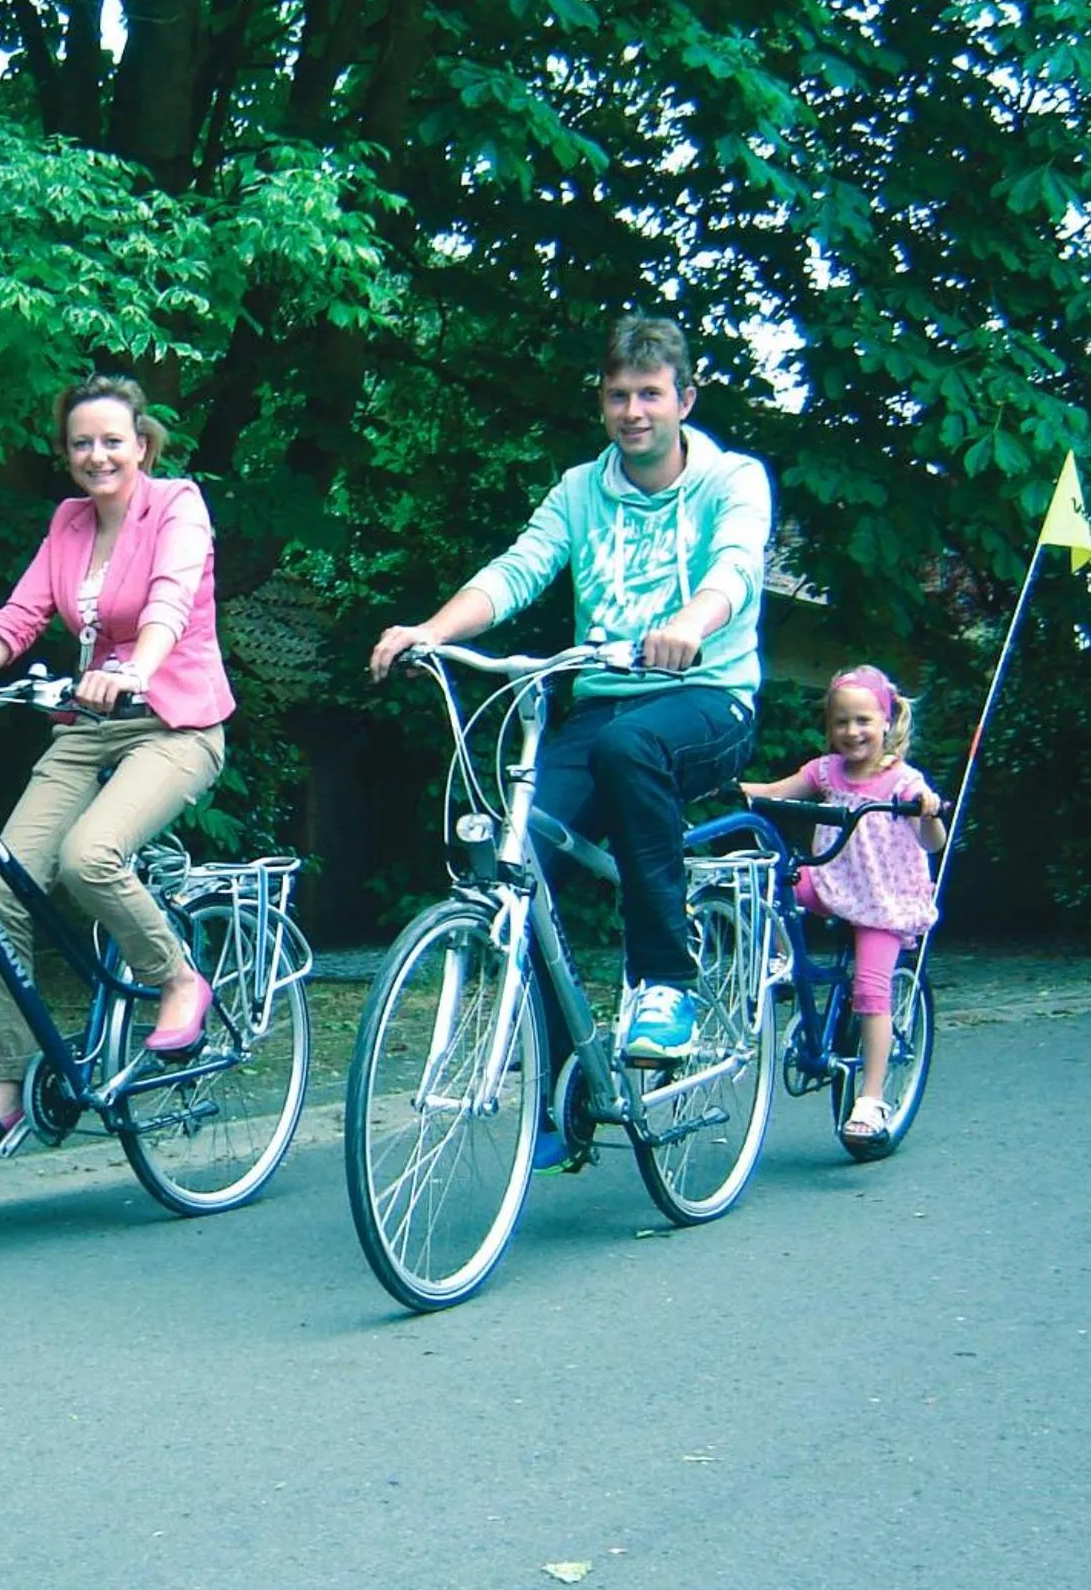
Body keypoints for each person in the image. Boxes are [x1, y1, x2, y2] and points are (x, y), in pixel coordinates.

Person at [368, 314, 772, 1103]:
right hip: (603, 708)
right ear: (602, 404)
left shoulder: (732, 481)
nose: (634, 412)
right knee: (520, 860)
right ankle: (564, 1090)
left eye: (651, 394)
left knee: (632, 752)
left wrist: (693, 624)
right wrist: (431, 631)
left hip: (707, 699)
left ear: (685, 399)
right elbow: (519, 569)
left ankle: (664, 983)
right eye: (618, 396)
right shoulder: (582, 490)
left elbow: (736, 567)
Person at [0, 373, 234, 1148]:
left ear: (142, 445)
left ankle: (178, 981)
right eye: (82, 443)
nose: (97, 455)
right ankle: (8, 1091)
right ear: (66, 453)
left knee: (90, 857)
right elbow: (16, 620)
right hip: (87, 724)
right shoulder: (69, 522)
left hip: (174, 720)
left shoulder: (177, 505)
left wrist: (136, 668)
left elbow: (172, 599)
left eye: (113, 440)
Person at [741, 665, 945, 1145]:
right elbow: (774, 793)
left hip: (882, 902)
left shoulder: (903, 781)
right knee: (774, 880)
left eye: (863, 721)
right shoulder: (826, 771)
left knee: (872, 995)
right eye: (841, 723)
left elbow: (932, 842)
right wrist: (740, 792)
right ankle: (778, 959)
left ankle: (871, 1099)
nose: (852, 732)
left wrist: (930, 810)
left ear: (886, 721)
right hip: (832, 879)